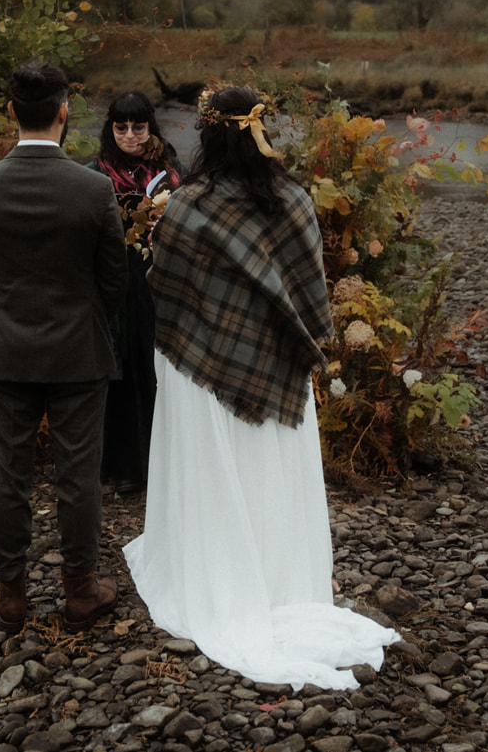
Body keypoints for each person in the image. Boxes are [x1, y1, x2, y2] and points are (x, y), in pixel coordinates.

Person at [123, 85, 398, 690]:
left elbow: (166, 288)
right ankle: (281, 581)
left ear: (208, 135)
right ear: (259, 131)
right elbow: (307, 293)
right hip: (276, 362)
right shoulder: (294, 199)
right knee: (267, 469)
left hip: (197, 365)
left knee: (213, 469)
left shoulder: (188, 204)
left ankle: (215, 576)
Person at [0, 62, 129, 634]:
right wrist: (85, 318)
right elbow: (114, 278)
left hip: (8, 349)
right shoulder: (94, 188)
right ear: (64, 111)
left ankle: (11, 594)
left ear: (11, 112)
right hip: (78, 349)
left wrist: (8, 313)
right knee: (78, 474)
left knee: (7, 472)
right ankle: (80, 589)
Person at [86, 90, 185, 491]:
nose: (130, 135)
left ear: (150, 127)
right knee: (116, 374)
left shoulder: (172, 170)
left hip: (161, 281)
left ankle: (160, 468)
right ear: (111, 129)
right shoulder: (95, 172)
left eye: (138, 127)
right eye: (122, 127)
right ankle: (119, 467)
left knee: (156, 369)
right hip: (113, 282)